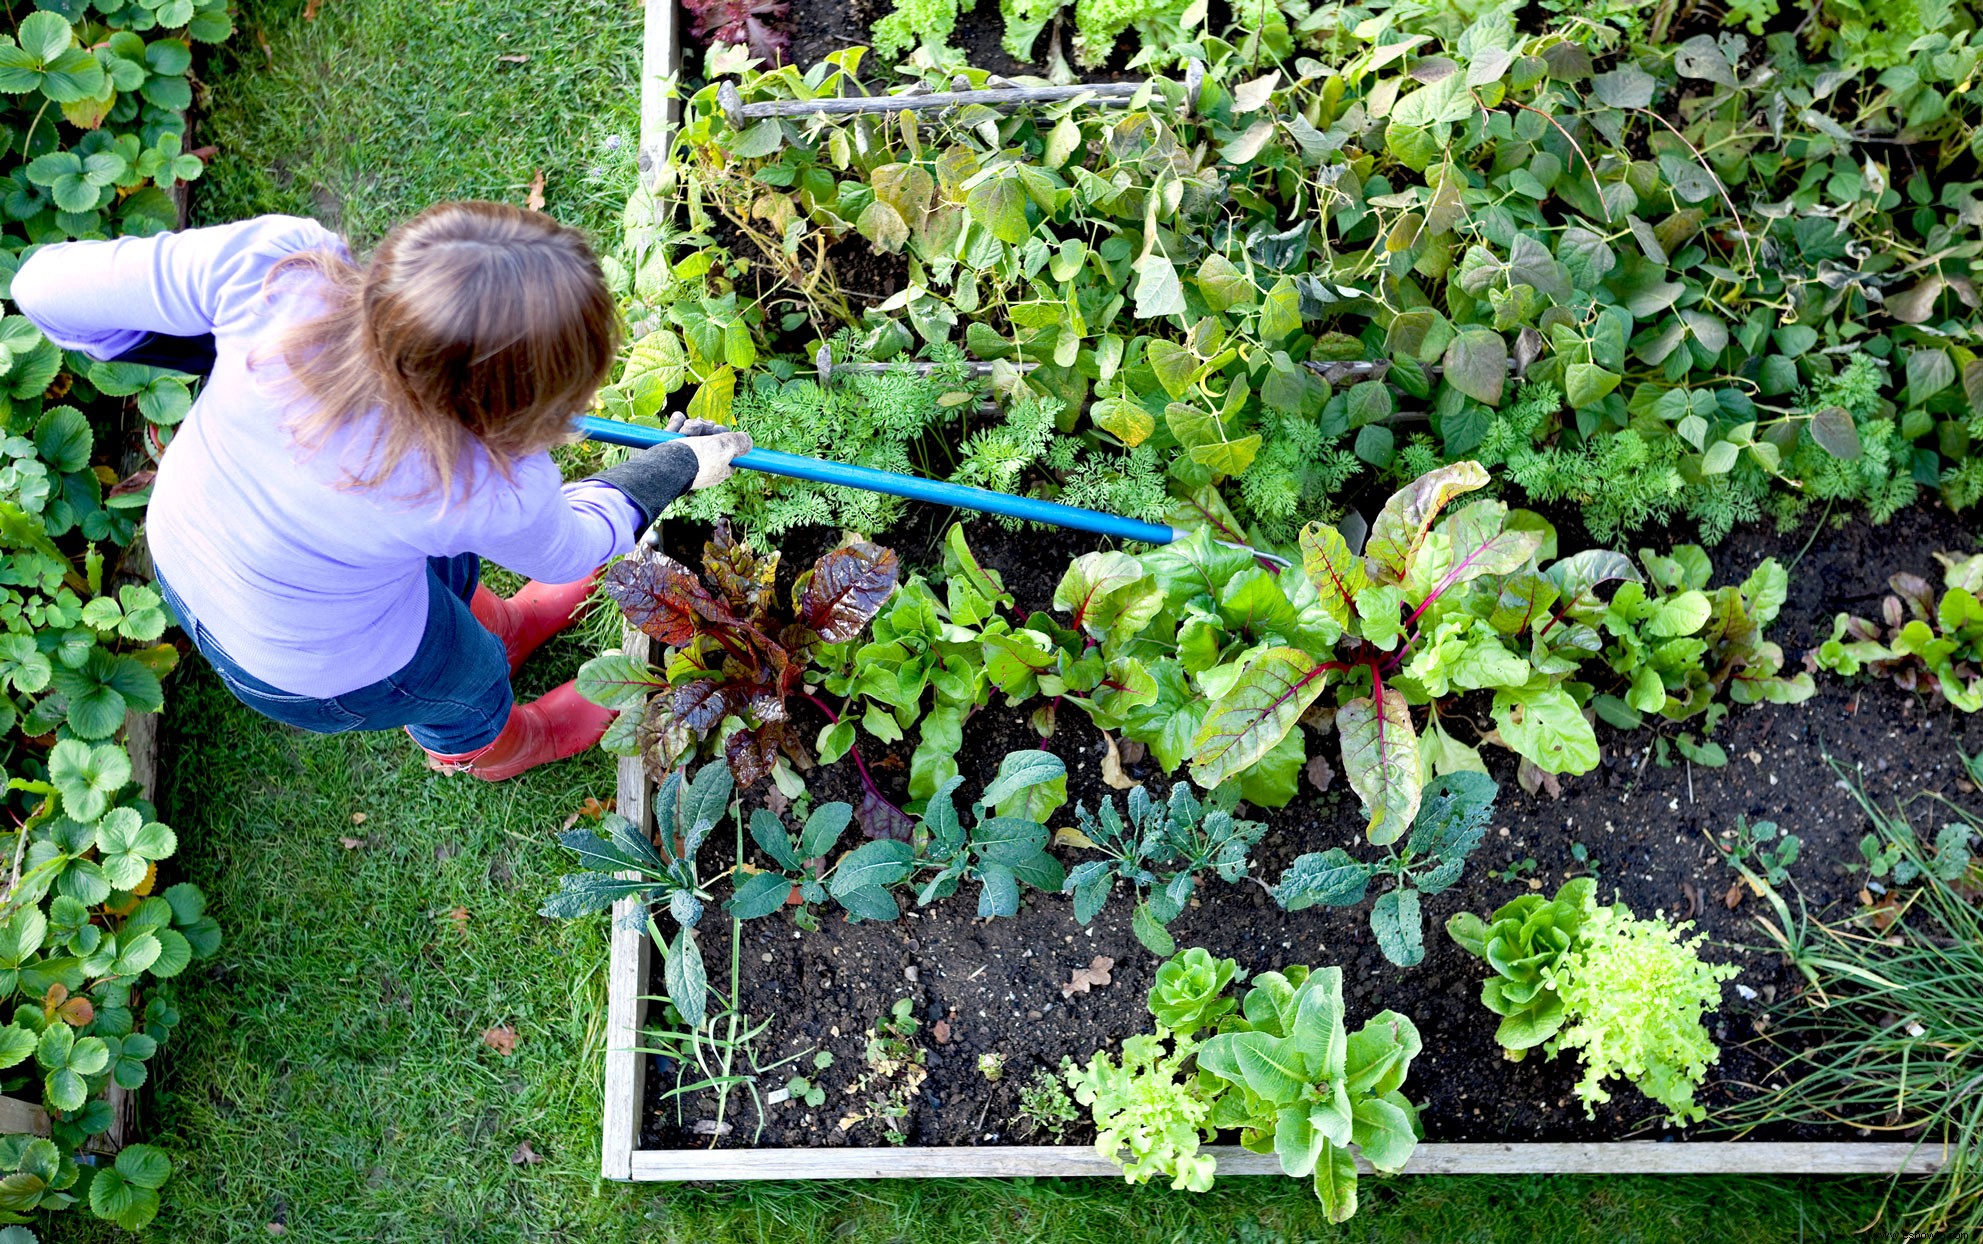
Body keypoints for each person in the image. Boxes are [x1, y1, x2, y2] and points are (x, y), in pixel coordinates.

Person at [12, 202, 750, 780]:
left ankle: (500, 625)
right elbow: (577, 547)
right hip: (310, 662)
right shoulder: (484, 481)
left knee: (432, 576)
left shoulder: (271, 272)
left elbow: (38, 288)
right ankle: (501, 745)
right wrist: (677, 464)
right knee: (462, 680)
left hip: (194, 549)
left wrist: (215, 349)